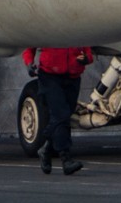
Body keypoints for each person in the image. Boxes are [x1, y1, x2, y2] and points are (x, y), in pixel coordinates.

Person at [22, 47, 94, 175]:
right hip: (50, 76)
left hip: (73, 76)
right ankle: (66, 159)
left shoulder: (76, 29)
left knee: (63, 116)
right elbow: (30, 44)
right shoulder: (47, 29)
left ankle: (45, 149)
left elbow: (87, 48)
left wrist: (87, 59)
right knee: (61, 114)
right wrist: (29, 63)